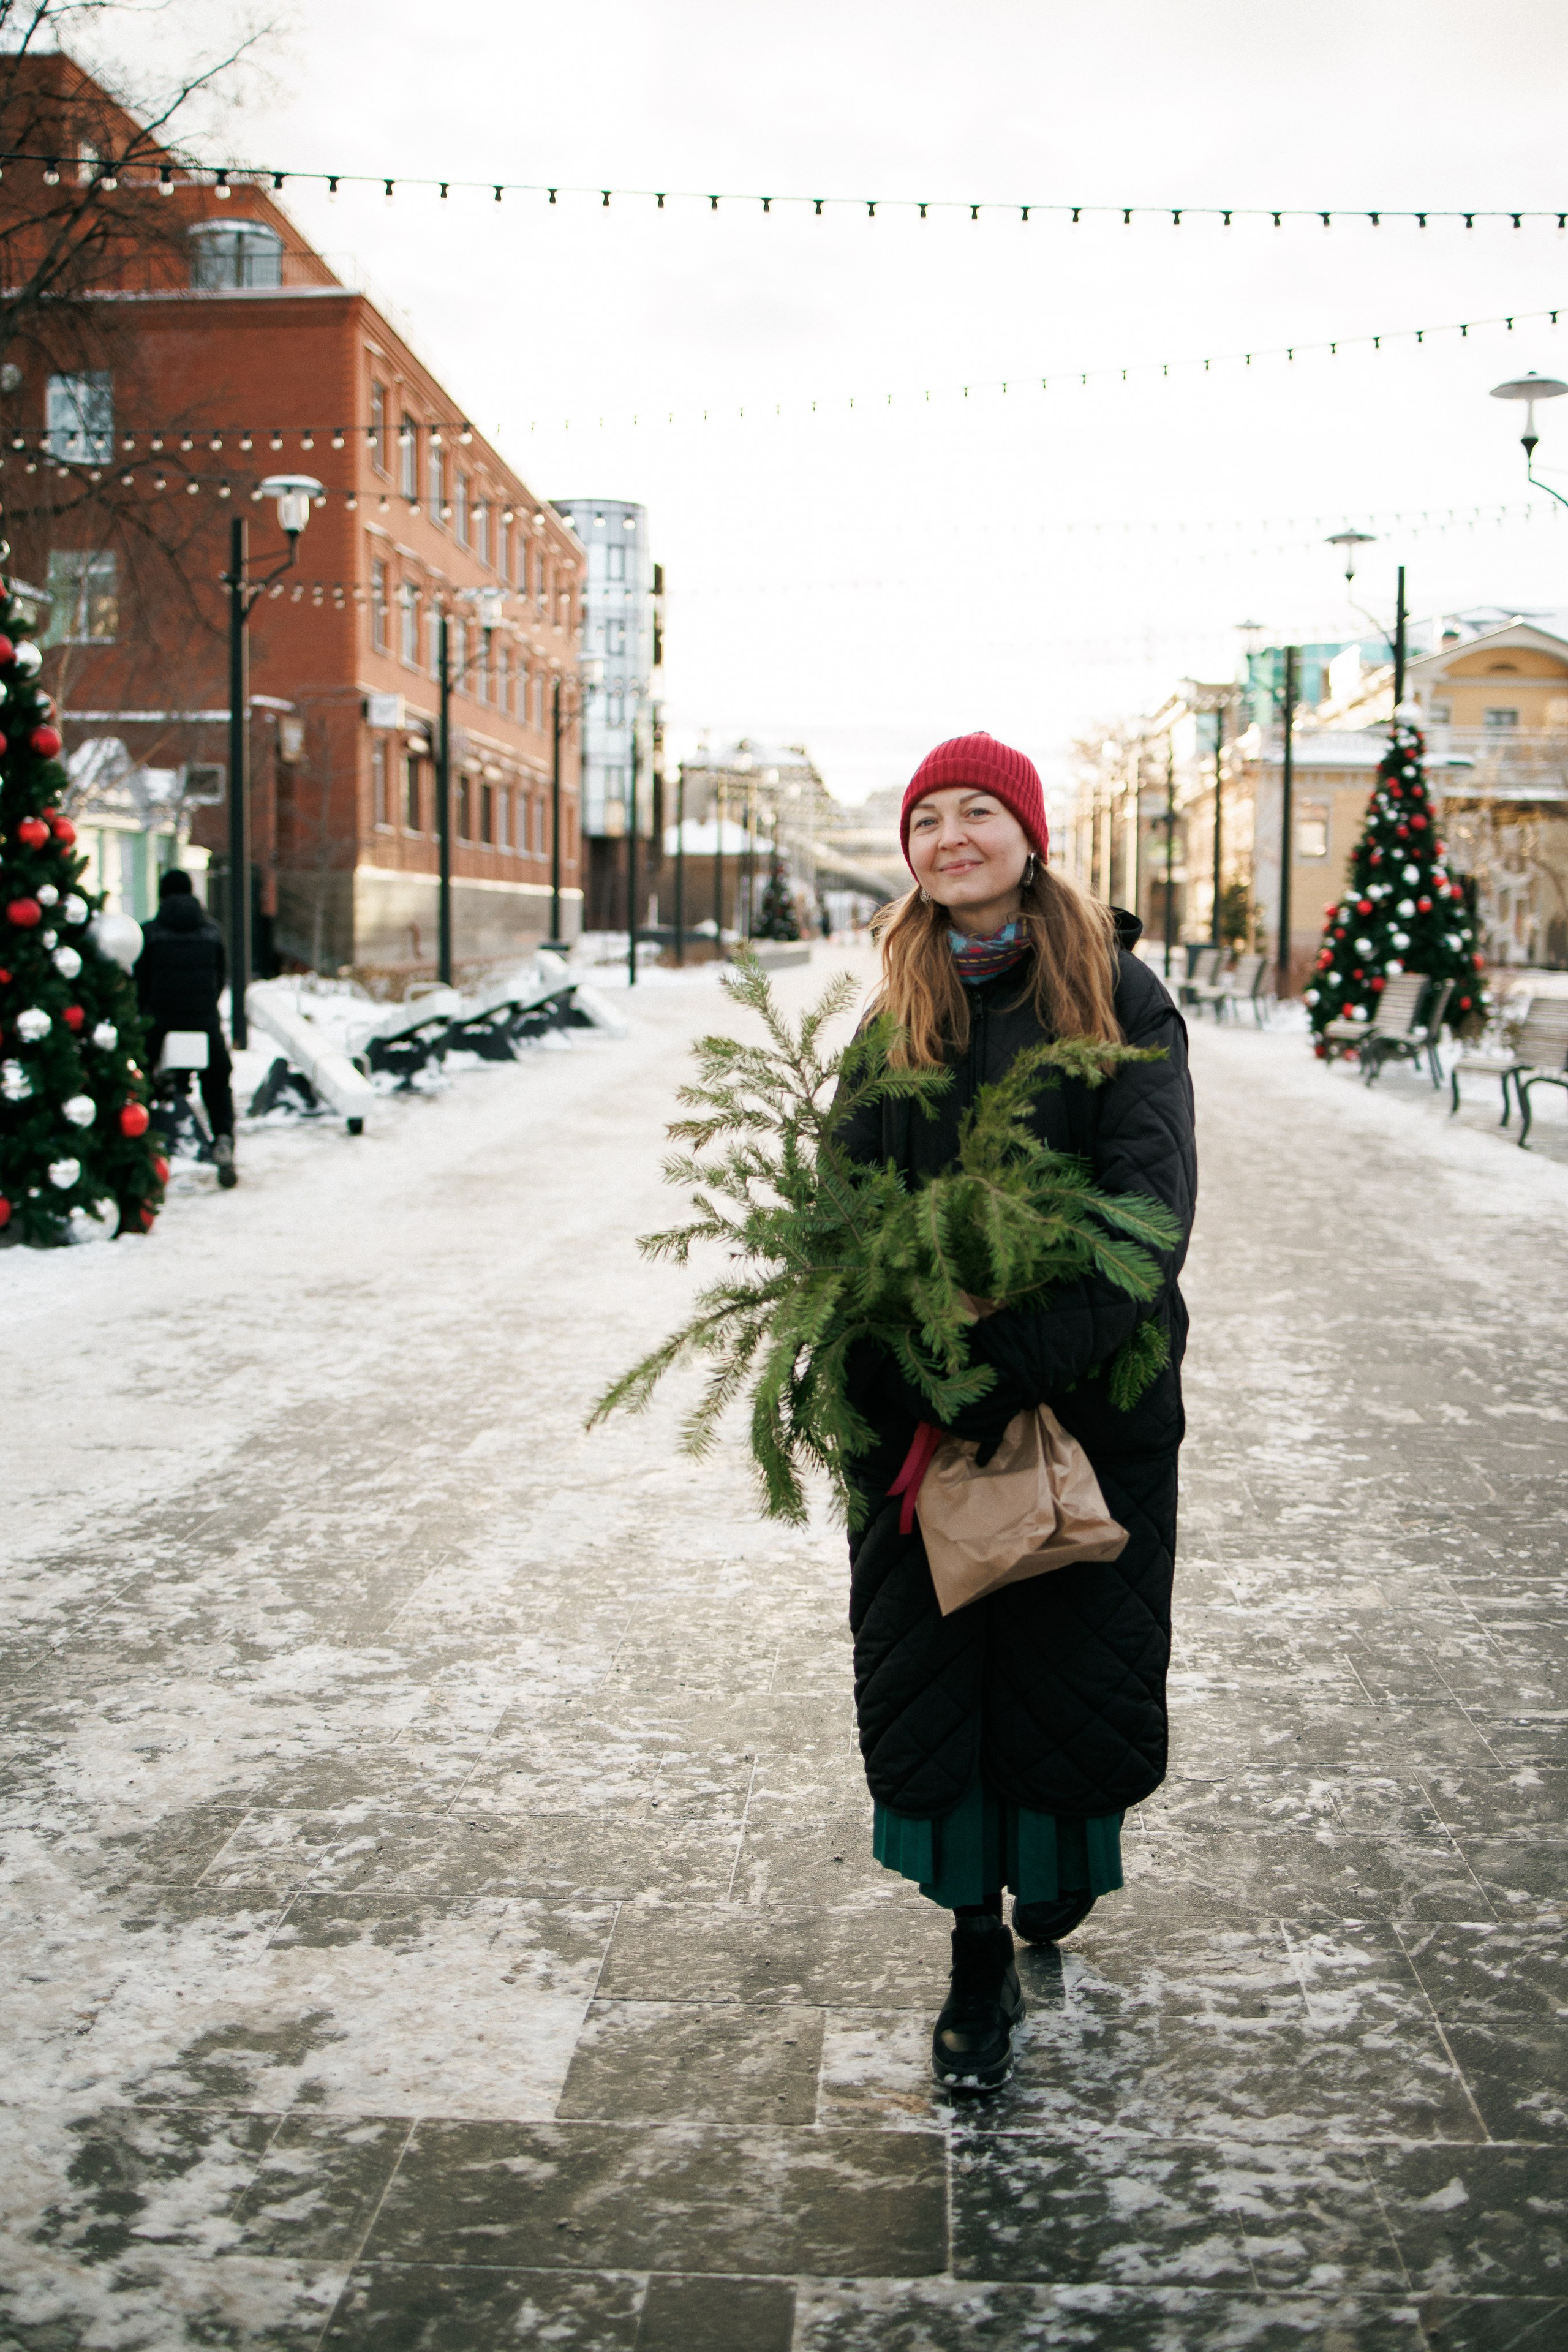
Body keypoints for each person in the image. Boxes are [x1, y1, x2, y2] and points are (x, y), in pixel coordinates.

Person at [837, 733, 1197, 2093]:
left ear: (1028, 833)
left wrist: (1019, 1353)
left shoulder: (1116, 994)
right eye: (923, 819)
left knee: (1061, 1663)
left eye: (974, 811)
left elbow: (1143, 1207)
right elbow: (846, 1198)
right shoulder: (897, 1007)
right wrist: (889, 1353)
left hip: (1087, 1403)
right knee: (941, 1671)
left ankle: (1054, 1869)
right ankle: (970, 1957)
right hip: (924, 1411)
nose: (948, 837)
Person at [134, 867, 238, 1188]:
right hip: (203, 1021)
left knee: (139, 1073)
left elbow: (140, 983)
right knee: (218, 1078)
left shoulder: (148, 933)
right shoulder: (212, 932)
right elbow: (220, 979)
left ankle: (141, 1145)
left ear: (162, 895)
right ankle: (222, 1139)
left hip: (159, 1022)